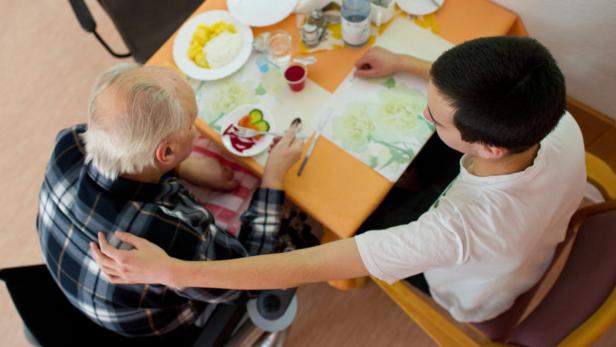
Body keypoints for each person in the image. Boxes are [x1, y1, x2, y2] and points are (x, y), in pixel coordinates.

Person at [91, 37, 586, 323]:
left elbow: (301, 266)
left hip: (474, 292)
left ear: (489, 145)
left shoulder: (452, 232)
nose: (426, 116)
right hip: (540, 218)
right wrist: (406, 64)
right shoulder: (555, 117)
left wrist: (174, 272)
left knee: (363, 212)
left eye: (436, 118)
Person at [36, 63, 304, 341]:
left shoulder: (68, 143)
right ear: (165, 152)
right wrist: (272, 177)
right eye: (191, 125)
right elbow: (251, 273)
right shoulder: (169, 232)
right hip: (158, 328)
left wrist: (183, 168)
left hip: (79, 284)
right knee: (294, 225)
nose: (197, 133)